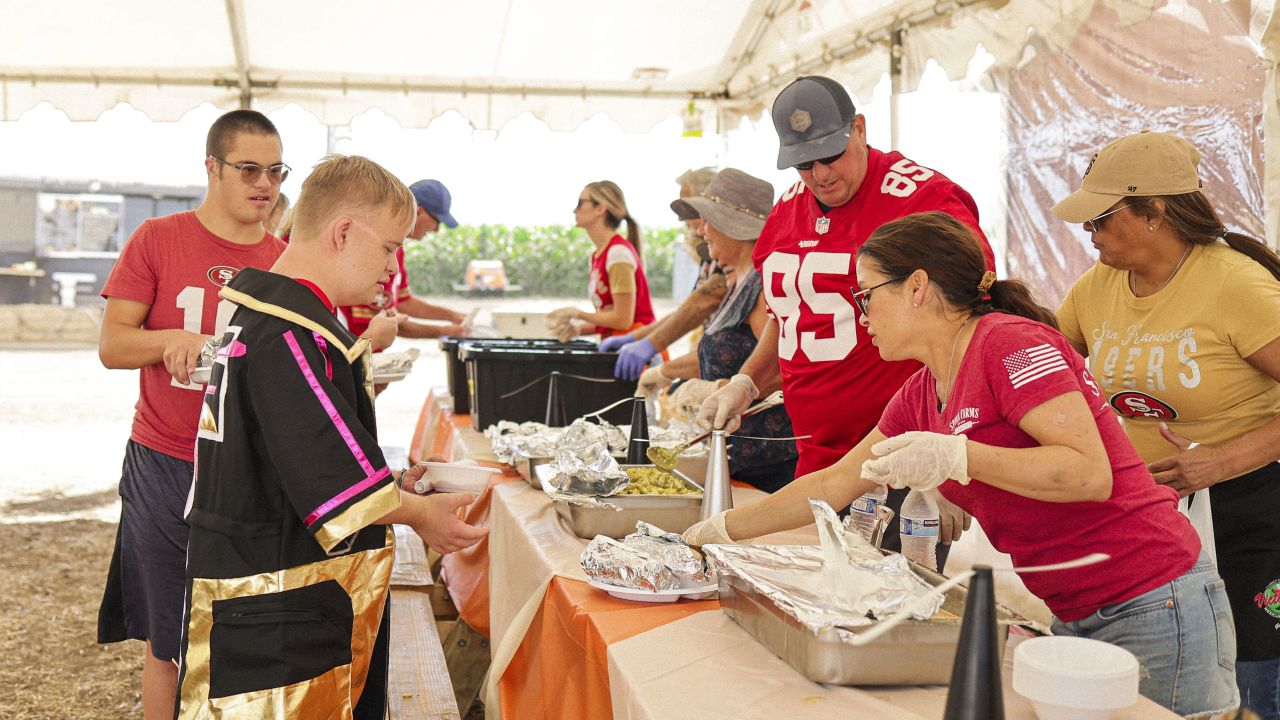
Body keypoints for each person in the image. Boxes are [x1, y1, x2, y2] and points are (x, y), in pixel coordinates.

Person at [685, 211, 1239, 718]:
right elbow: (833, 482)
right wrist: (719, 531)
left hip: (1153, 599)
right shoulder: (920, 392)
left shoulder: (1009, 342)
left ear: (918, 288)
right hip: (1076, 607)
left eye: (866, 296)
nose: (862, 316)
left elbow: (1087, 473)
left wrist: (958, 456)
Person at [175, 155, 488, 718]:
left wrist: (392, 484)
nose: (392, 270)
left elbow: (297, 455)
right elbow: (331, 487)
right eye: (391, 247)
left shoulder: (263, 313)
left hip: (268, 600)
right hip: (275, 614)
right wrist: (420, 515)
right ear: (343, 232)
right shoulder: (291, 333)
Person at [695, 75, 994, 564]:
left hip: (899, 464)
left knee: (887, 622)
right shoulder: (786, 211)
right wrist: (747, 382)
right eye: (803, 163)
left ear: (859, 128)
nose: (820, 174)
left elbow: (972, 325)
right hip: (814, 465)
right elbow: (790, 316)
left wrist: (948, 455)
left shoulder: (922, 200)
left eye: (831, 154)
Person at [1054, 130, 1280, 718]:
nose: (1090, 234)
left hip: (1248, 514)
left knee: (1253, 681)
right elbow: (1042, 366)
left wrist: (1224, 460)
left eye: (1101, 219)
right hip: (1148, 520)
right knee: (1168, 684)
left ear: (1154, 212)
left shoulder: (1236, 284)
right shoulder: (1097, 286)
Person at [95, 109, 304, 720]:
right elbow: (113, 345)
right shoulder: (158, 237)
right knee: (169, 638)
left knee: (242, 631)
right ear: (212, 168)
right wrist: (166, 343)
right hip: (164, 460)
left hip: (248, 472)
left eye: (273, 170)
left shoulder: (285, 263)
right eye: (247, 169)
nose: (263, 184)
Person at [635, 169, 798, 492]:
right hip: (733, 460)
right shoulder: (736, 282)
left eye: (709, 221)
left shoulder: (763, 286)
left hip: (766, 468)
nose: (701, 231)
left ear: (736, 228)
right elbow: (728, 354)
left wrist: (720, 388)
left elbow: (786, 370)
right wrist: (665, 373)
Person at [602, 167, 728, 378]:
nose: (683, 220)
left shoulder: (729, 257)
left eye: (688, 210)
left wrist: (650, 346)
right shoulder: (709, 258)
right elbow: (690, 307)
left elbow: (705, 301)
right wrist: (636, 338)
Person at [339, 179, 467, 341]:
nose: (436, 230)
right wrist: (446, 331)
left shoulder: (396, 251)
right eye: (437, 222)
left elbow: (402, 301)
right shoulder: (378, 247)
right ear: (419, 212)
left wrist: (453, 316)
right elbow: (388, 320)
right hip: (352, 353)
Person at [548, 180, 655, 341]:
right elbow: (611, 317)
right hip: (619, 345)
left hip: (637, 351)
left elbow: (623, 320)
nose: (574, 210)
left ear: (600, 208)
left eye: (580, 203)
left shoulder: (618, 254)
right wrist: (578, 330)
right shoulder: (599, 255)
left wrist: (578, 314)